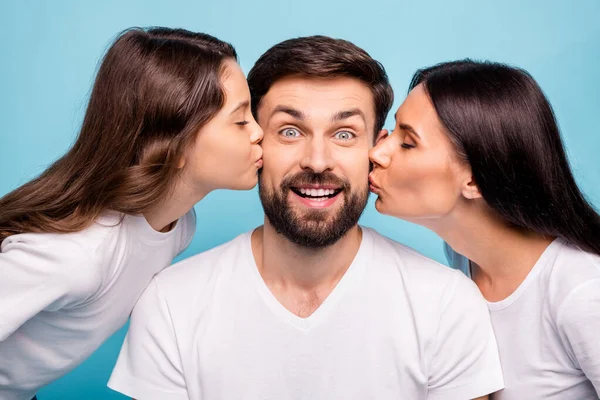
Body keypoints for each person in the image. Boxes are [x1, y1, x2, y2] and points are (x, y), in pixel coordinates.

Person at [107, 36, 504, 400]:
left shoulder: (447, 304)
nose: (317, 161)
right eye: (290, 132)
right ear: (255, 140)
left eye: (344, 134)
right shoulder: (172, 303)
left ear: (376, 147)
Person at [0, 27, 263, 400]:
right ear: (177, 143)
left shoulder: (178, 225)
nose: (259, 132)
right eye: (240, 120)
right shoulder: (77, 256)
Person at [369, 59, 600, 399]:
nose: (377, 152)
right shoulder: (463, 257)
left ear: (476, 178)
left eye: (407, 143)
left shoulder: (582, 292)